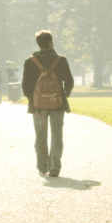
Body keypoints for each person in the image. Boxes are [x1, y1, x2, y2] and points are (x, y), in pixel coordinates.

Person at [20, 31, 75, 178]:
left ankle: (42, 166)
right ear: (51, 43)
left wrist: (32, 97)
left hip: (38, 105)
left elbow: (25, 85)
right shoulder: (61, 60)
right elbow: (69, 81)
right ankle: (54, 167)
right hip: (57, 103)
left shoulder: (30, 61)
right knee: (57, 135)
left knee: (40, 135)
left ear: (38, 44)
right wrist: (64, 95)